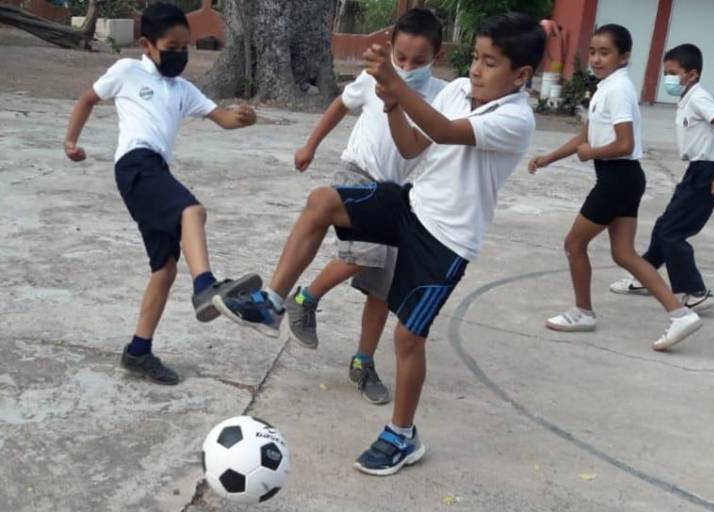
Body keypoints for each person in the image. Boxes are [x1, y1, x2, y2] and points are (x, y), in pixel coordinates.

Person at [213, 13, 545, 475]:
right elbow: (412, 147)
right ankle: (272, 302)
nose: (476, 69)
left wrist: (394, 83)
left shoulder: (515, 118)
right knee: (322, 201)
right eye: (475, 58)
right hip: (411, 204)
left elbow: (448, 132)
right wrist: (391, 103)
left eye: (490, 63)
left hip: (447, 241)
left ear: (521, 75)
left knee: (408, 337)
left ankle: (402, 436)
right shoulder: (459, 91)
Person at [63, 2, 260, 384]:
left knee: (164, 269)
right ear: (147, 45)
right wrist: (71, 141)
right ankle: (205, 285)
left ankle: (138, 351)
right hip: (135, 165)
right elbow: (89, 98)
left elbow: (224, 118)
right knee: (192, 211)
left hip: (155, 170)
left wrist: (245, 116)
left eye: (185, 48)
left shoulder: (182, 90)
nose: (179, 55)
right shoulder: (127, 71)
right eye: (171, 48)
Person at [288, 8, 446, 405]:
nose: (407, 68)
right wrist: (310, 144)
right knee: (367, 254)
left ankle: (363, 361)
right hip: (357, 172)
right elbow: (340, 105)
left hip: (399, 193)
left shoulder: (441, 95)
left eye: (419, 61)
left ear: (437, 58)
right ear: (391, 48)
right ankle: (305, 298)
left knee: (383, 290)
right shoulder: (372, 78)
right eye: (401, 58)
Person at [528, 24, 702, 351]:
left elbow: (624, 143)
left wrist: (590, 153)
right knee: (624, 253)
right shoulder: (606, 87)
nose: (595, 58)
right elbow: (586, 135)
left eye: (604, 52)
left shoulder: (618, 89)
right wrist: (550, 157)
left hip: (617, 178)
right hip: (624, 178)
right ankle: (680, 315)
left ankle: (582, 311)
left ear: (623, 57)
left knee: (573, 243)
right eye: (592, 51)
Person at [609, 43, 714, 312]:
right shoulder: (688, 98)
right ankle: (644, 277)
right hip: (695, 170)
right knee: (664, 225)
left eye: (672, 73)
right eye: (666, 72)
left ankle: (696, 291)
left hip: (706, 172)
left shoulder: (699, 98)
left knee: (672, 233)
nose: (668, 78)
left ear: (691, 75)